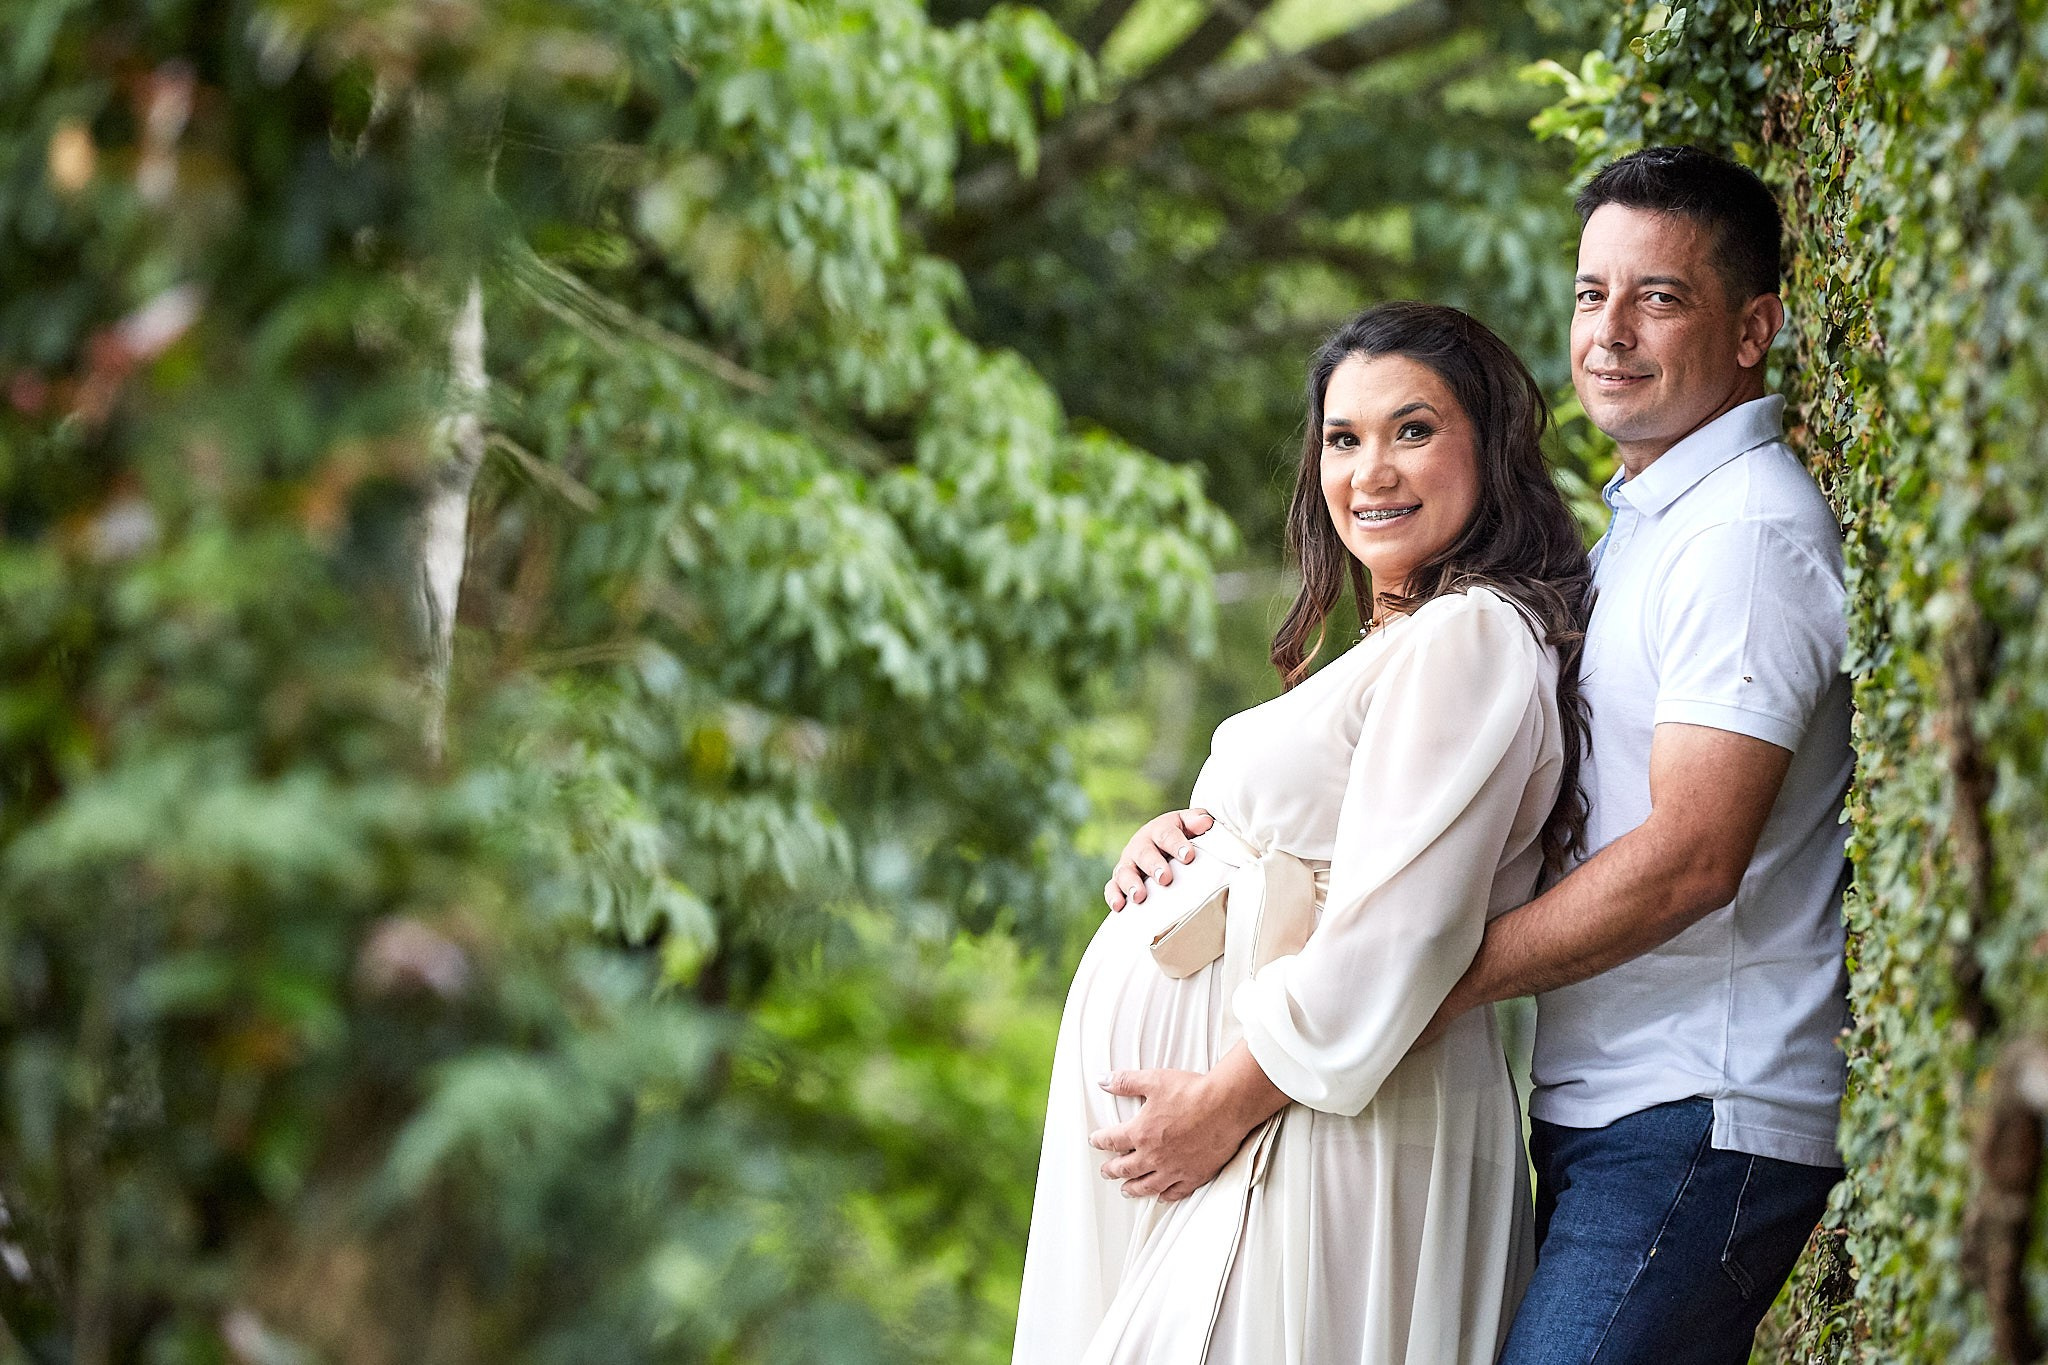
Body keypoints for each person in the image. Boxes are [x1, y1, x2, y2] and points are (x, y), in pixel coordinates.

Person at [1102, 146, 1852, 1365]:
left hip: (1697, 1113)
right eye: (1589, 294)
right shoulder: (1645, 534)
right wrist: (1206, 851)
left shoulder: (1745, 539)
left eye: (1656, 297)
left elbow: (1689, 857)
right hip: (1600, 1102)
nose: (1608, 332)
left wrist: (1420, 980)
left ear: (1752, 327)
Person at [1012, 301, 1595, 1364]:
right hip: (1282, 1123)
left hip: (1322, 1128)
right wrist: (1192, 845)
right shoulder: (1412, 639)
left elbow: (1400, 934)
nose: (1370, 470)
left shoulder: (1468, 636)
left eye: (1412, 431)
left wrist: (1219, 1107)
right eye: (1343, 438)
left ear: (1490, 448)